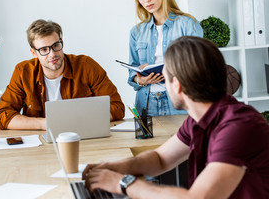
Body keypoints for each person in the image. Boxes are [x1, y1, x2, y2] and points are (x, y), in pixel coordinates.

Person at [83, 36, 269, 198]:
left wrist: (124, 184)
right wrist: (116, 167)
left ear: (177, 86)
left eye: (165, 78)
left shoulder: (238, 127)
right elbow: (160, 158)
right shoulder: (198, 119)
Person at [0, 19, 125, 130]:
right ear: (34, 53)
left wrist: (81, 121)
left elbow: (117, 107)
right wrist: (45, 124)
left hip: (83, 136)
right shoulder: (23, 72)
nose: (52, 54)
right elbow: (3, 116)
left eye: (56, 45)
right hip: (42, 143)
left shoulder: (86, 65)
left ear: (62, 43)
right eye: (44, 49)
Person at [128, 0, 203, 117]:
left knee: (184, 140)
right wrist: (140, 79)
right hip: (146, 102)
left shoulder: (188, 24)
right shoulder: (136, 32)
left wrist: (170, 70)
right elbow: (132, 72)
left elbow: (199, 67)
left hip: (179, 101)